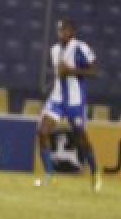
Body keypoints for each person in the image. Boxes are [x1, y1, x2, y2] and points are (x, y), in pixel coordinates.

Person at [35, 18, 101, 191]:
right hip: (57, 99)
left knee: (81, 137)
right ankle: (49, 174)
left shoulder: (81, 47)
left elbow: (94, 71)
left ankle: (95, 171)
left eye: (64, 30)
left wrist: (71, 71)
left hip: (75, 102)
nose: (61, 33)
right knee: (42, 132)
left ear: (72, 31)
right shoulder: (54, 50)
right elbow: (59, 75)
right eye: (59, 30)